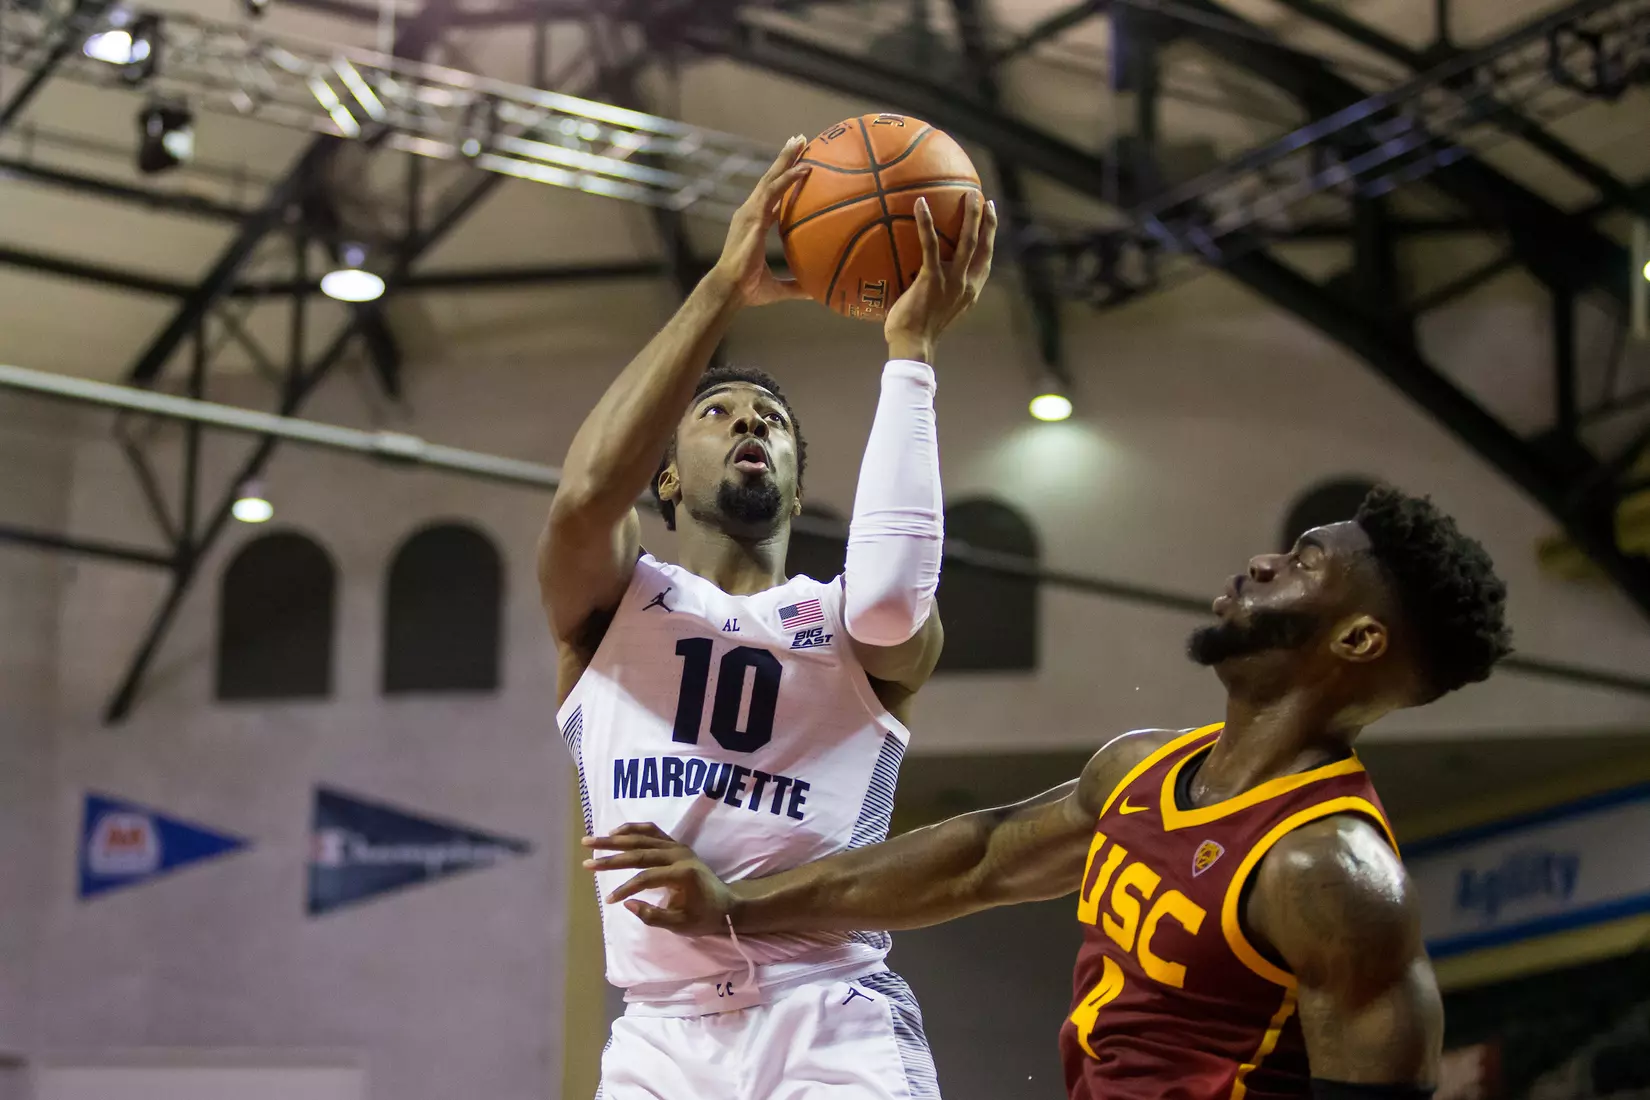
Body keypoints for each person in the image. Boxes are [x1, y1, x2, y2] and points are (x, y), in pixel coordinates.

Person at [584, 486, 1515, 1100]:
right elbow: (979, 864)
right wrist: (738, 904)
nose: (1268, 563)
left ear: (1357, 642)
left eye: (1308, 563)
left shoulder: (1332, 871)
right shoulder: (1140, 770)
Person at [541, 135, 996, 1100]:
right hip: (661, 1036)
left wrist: (910, 359)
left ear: (796, 491)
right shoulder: (611, 607)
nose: (752, 424)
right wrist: (720, 290)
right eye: (719, 414)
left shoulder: (849, 625)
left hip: (825, 1014)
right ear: (665, 477)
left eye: (773, 422)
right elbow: (584, 496)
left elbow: (887, 599)